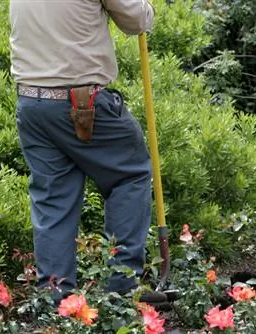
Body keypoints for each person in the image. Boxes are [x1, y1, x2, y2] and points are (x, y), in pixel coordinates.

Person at [9, 0, 155, 302]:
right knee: (131, 174)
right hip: (81, 104)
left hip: (32, 103)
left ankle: (55, 298)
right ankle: (123, 288)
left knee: (53, 199)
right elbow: (136, 20)